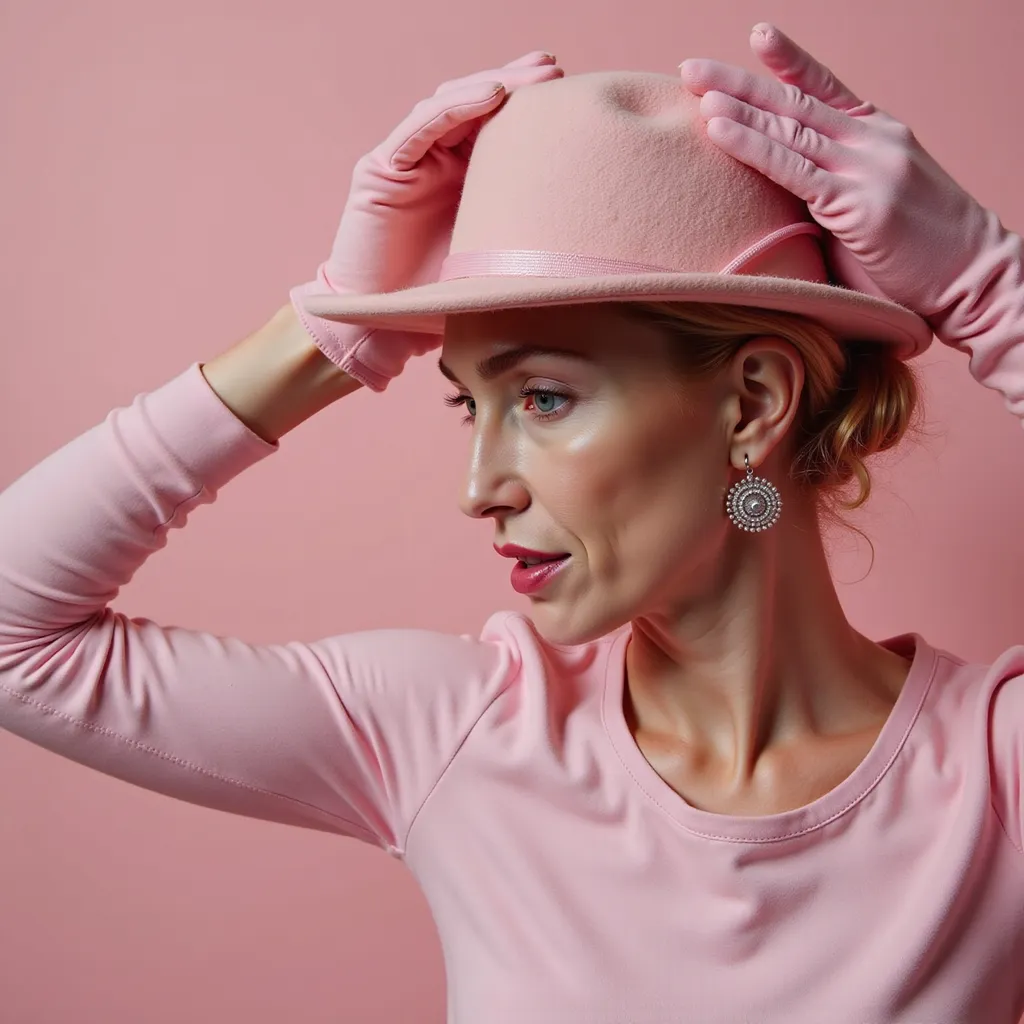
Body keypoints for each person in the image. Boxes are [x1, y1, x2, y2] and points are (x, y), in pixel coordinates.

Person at [1, 23, 1022, 1023]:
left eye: (541, 397)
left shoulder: (992, 775)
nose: (477, 486)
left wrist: (993, 291)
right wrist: (319, 331)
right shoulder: (459, 733)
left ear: (753, 402)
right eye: (467, 403)